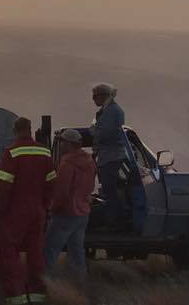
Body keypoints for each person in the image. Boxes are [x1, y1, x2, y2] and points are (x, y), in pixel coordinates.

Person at [0, 116, 56, 305]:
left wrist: (0, 210)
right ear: (30, 129)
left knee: (9, 251)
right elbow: (52, 182)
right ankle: (38, 295)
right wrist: (45, 206)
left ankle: (15, 297)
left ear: (15, 130)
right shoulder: (45, 152)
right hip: (37, 209)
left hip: (16, 210)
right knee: (35, 252)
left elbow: (3, 185)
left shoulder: (11, 153)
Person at [44, 128, 97, 280]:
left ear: (68, 144)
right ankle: (80, 283)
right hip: (83, 213)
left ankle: (44, 283)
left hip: (66, 213)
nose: (60, 145)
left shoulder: (67, 164)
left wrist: (52, 209)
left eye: (62, 142)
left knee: (50, 249)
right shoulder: (89, 161)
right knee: (77, 251)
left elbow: (61, 193)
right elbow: (91, 187)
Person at [91, 83, 144, 232]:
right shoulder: (109, 111)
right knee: (112, 191)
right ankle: (115, 222)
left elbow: (104, 134)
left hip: (111, 158)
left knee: (110, 192)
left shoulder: (111, 111)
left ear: (102, 95)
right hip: (111, 157)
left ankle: (113, 225)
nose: (93, 99)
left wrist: (93, 131)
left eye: (95, 96)